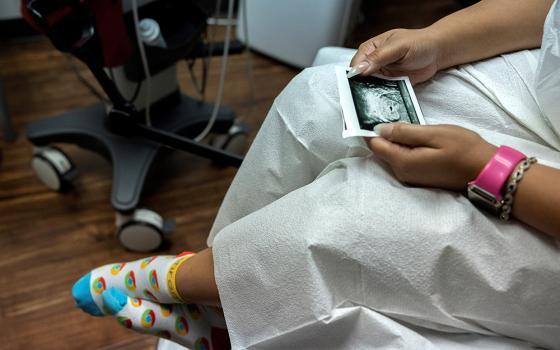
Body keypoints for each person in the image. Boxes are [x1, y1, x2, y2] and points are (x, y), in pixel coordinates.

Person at [72, 0, 560, 349]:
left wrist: (487, 167)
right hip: (545, 94)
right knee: (319, 100)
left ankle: (199, 281)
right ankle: (222, 305)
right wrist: (435, 41)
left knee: (357, 224)